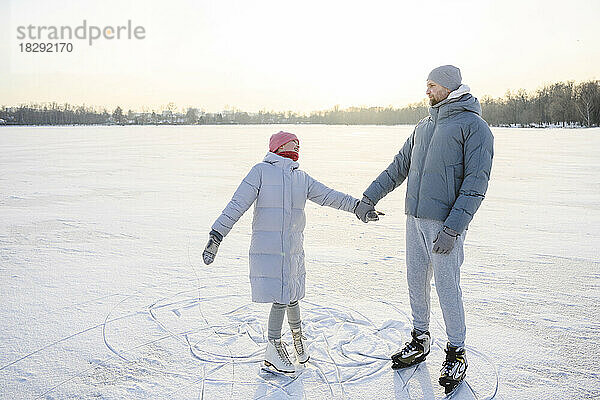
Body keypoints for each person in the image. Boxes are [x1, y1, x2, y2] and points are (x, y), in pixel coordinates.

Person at [355, 65, 494, 393]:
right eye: (427, 85)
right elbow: (397, 168)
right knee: (416, 281)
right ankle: (420, 340)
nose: (427, 91)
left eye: (432, 86)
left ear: (449, 87)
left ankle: (456, 352)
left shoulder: (474, 128)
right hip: (414, 220)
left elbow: (475, 184)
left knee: (447, 287)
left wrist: (454, 228)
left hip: (445, 225)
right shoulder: (423, 126)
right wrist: (367, 198)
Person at [203, 131, 361, 374]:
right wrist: (217, 234)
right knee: (280, 298)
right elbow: (237, 204)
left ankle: (298, 339)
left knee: (293, 295)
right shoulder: (261, 171)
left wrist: (358, 207)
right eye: (292, 141)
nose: (297, 145)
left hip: (293, 250)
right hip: (269, 249)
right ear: (278, 146)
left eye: (299, 142)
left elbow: (330, 196)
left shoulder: (301, 177)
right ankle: (273, 348)